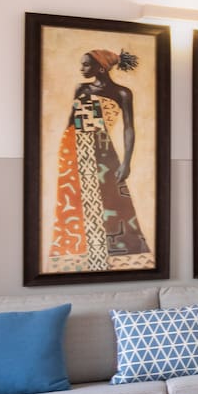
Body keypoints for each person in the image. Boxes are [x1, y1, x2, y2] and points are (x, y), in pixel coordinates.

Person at [49, 48, 149, 271]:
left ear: (101, 67)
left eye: (86, 65)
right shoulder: (81, 88)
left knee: (113, 201)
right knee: (73, 203)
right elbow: (71, 123)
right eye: (82, 64)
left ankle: (115, 256)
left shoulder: (122, 93)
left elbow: (129, 129)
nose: (81, 69)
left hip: (103, 151)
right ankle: (79, 255)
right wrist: (64, 154)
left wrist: (127, 161)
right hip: (73, 150)